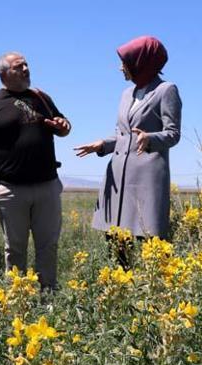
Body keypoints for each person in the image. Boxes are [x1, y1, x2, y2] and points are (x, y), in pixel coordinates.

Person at [0, 52, 71, 291]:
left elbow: (63, 127)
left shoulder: (41, 98)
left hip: (47, 185)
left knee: (48, 245)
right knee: (15, 248)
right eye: (19, 66)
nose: (26, 69)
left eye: (27, 65)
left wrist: (63, 126)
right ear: (4, 73)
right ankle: (18, 298)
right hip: (10, 189)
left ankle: (48, 298)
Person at [75, 36, 182, 255]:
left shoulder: (166, 90)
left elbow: (173, 134)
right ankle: (120, 285)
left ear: (141, 61)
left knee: (149, 241)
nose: (120, 67)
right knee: (115, 242)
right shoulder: (126, 94)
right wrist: (103, 145)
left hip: (146, 179)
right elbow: (123, 135)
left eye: (125, 61)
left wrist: (150, 138)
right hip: (117, 177)